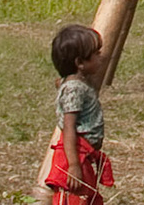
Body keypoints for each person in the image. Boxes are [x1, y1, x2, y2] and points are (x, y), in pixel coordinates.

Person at [45, 24, 113, 203]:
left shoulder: (72, 83)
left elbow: (62, 84)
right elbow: (69, 128)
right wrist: (74, 166)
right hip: (75, 156)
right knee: (75, 199)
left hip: (82, 155)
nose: (101, 57)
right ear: (79, 63)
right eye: (96, 54)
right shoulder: (74, 89)